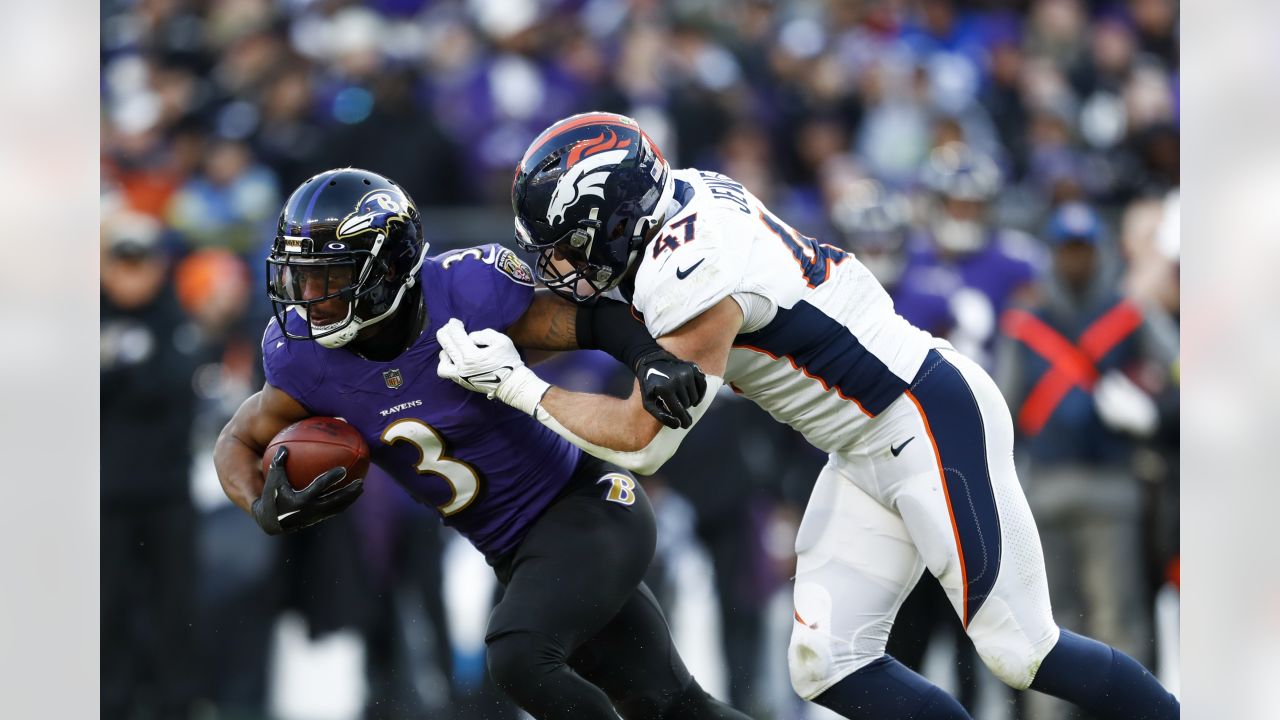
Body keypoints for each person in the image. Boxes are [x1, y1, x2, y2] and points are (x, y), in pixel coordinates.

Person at [434, 112, 1180, 720]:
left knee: (1020, 649)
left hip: (920, 416)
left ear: (619, 217)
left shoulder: (688, 274)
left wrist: (518, 387)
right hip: (859, 443)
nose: (562, 267)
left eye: (569, 247)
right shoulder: (684, 196)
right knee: (827, 664)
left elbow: (644, 440)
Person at [212, 167, 751, 720]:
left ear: (388, 269)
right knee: (671, 707)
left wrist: (651, 360)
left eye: (329, 277)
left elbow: (590, 322)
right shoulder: (305, 362)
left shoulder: (466, 293)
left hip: (587, 508)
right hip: (515, 553)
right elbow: (236, 440)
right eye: (300, 277)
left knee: (519, 657)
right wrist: (260, 504)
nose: (308, 297)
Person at [101, 210, 203, 719]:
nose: (131, 273)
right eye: (121, 259)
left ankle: (174, 706)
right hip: (104, 500)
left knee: (174, 612)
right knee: (104, 613)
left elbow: (170, 388)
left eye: (141, 260)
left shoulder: (175, 320)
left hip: (166, 495)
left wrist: (118, 368)